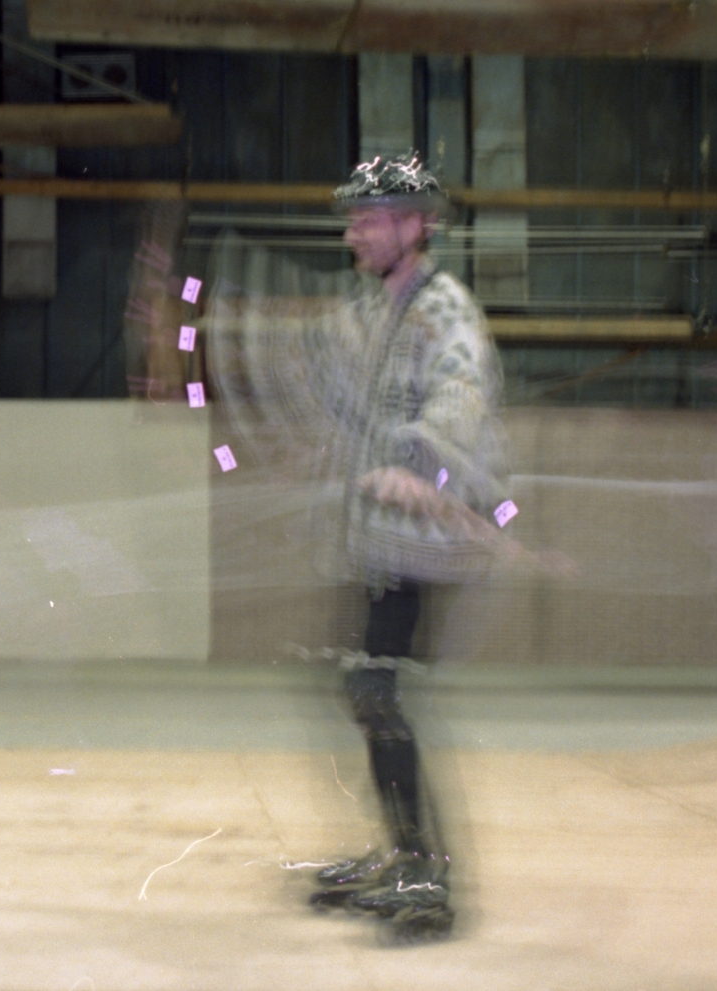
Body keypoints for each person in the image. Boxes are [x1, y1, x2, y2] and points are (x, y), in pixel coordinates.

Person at [295, 152, 510, 944]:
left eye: (369, 219)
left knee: (377, 691)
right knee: (366, 689)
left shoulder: (444, 310)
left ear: (416, 225)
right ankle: (403, 852)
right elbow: (337, 389)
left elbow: (460, 399)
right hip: (377, 538)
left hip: (421, 540)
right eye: (352, 219)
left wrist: (423, 467)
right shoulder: (373, 311)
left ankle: (424, 871)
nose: (352, 233)